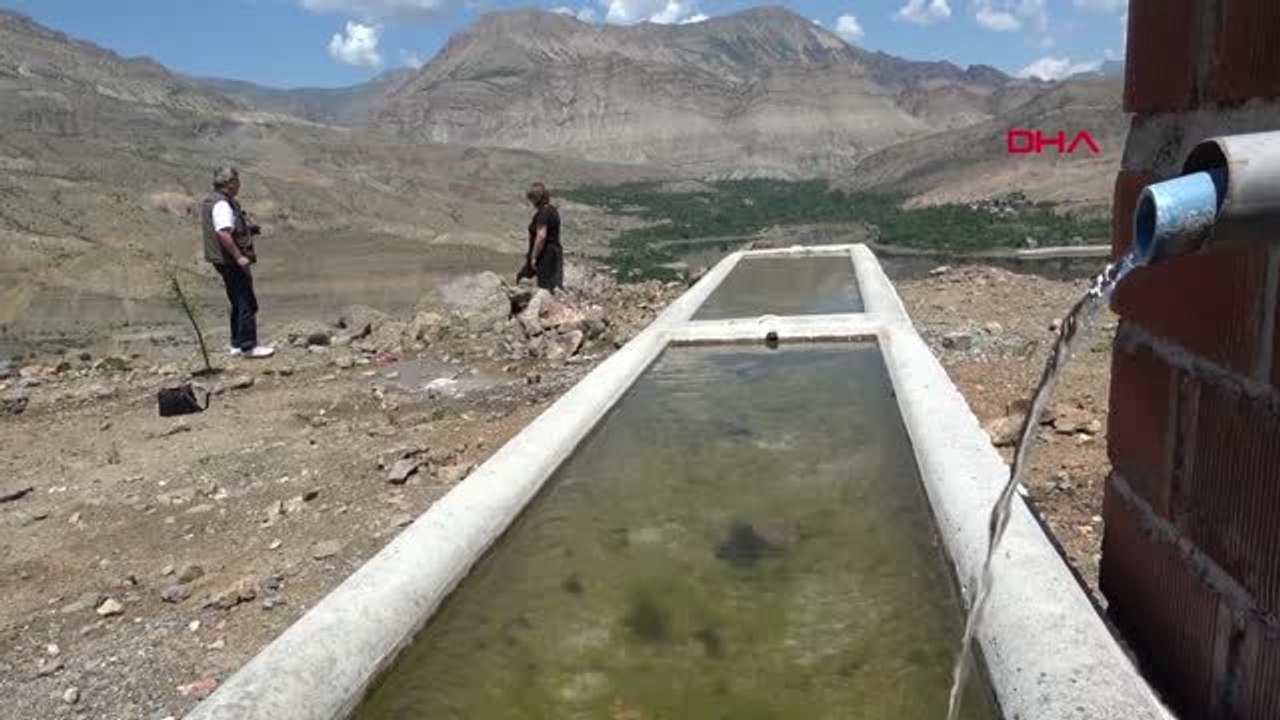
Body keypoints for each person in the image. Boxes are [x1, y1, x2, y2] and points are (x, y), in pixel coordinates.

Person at [201, 166, 274, 358]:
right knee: (246, 301)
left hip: (224, 260)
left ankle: (236, 343)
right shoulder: (222, 204)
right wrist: (239, 257)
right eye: (237, 181)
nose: (239, 184)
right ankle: (249, 346)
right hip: (231, 261)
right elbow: (223, 233)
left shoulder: (216, 201)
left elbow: (229, 229)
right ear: (230, 183)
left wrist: (249, 230)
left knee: (237, 301)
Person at [518, 182, 563, 291]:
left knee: (544, 287)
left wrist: (534, 256)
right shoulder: (551, 210)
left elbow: (541, 236)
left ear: (537, 198)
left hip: (545, 254)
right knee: (523, 277)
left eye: (532, 198)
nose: (531, 202)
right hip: (552, 252)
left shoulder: (543, 213)